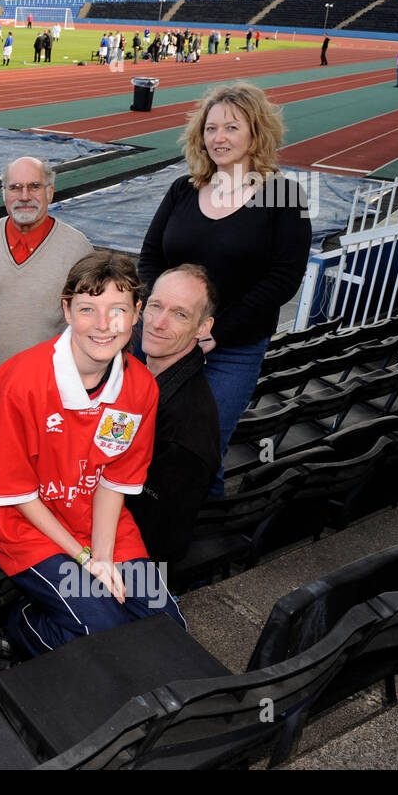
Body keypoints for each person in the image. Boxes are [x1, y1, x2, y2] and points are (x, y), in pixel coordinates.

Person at [0, 253, 182, 666]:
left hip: (99, 524)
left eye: (118, 310)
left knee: (167, 630)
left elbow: (113, 483)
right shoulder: (18, 383)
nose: (104, 325)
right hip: (29, 527)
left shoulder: (140, 387)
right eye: (88, 309)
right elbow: (16, 493)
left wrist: (103, 556)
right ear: (66, 309)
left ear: (137, 313)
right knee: (100, 631)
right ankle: (14, 624)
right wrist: (84, 559)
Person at [138, 82, 312, 491]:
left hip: (232, 350)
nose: (218, 138)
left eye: (232, 128)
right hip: (162, 340)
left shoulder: (284, 197)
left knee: (201, 451)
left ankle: (196, 540)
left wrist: (216, 332)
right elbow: (149, 258)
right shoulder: (183, 189)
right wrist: (160, 313)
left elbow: (283, 279)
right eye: (211, 128)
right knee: (144, 442)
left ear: (256, 133)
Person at [0, 155, 95, 376]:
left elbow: (89, 321)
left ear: (50, 192)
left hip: (46, 382)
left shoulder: (78, 249)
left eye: (34, 186)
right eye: (15, 187)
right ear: (4, 194)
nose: (24, 196)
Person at [128, 265, 221, 564]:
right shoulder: (146, 378)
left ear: (203, 328)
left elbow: (157, 538)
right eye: (156, 306)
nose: (158, 323)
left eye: (180, 314)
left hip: (134, 572)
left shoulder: (186, 429)